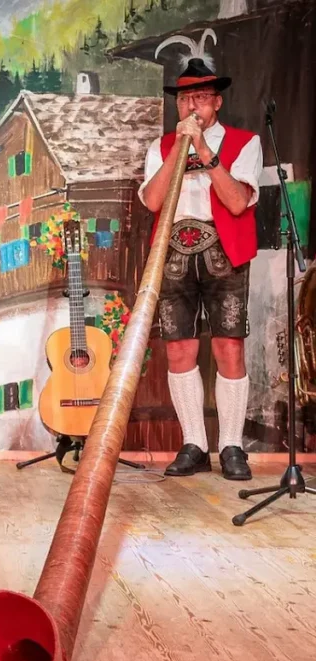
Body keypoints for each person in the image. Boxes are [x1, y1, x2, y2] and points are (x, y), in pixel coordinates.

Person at [139, 55, 262, 481]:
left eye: (203, 98)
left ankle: (231, 444)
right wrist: (179, 150)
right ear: (178, 105)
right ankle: (194, 443)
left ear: (218, 103)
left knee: (229, 345)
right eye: (187, 98)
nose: (194, 106)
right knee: (178, 349)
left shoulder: (245, 142)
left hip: (223, 249)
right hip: (173, 251)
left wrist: (206, 153)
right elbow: (154, 202)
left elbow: (236, 202)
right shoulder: (160, 148)